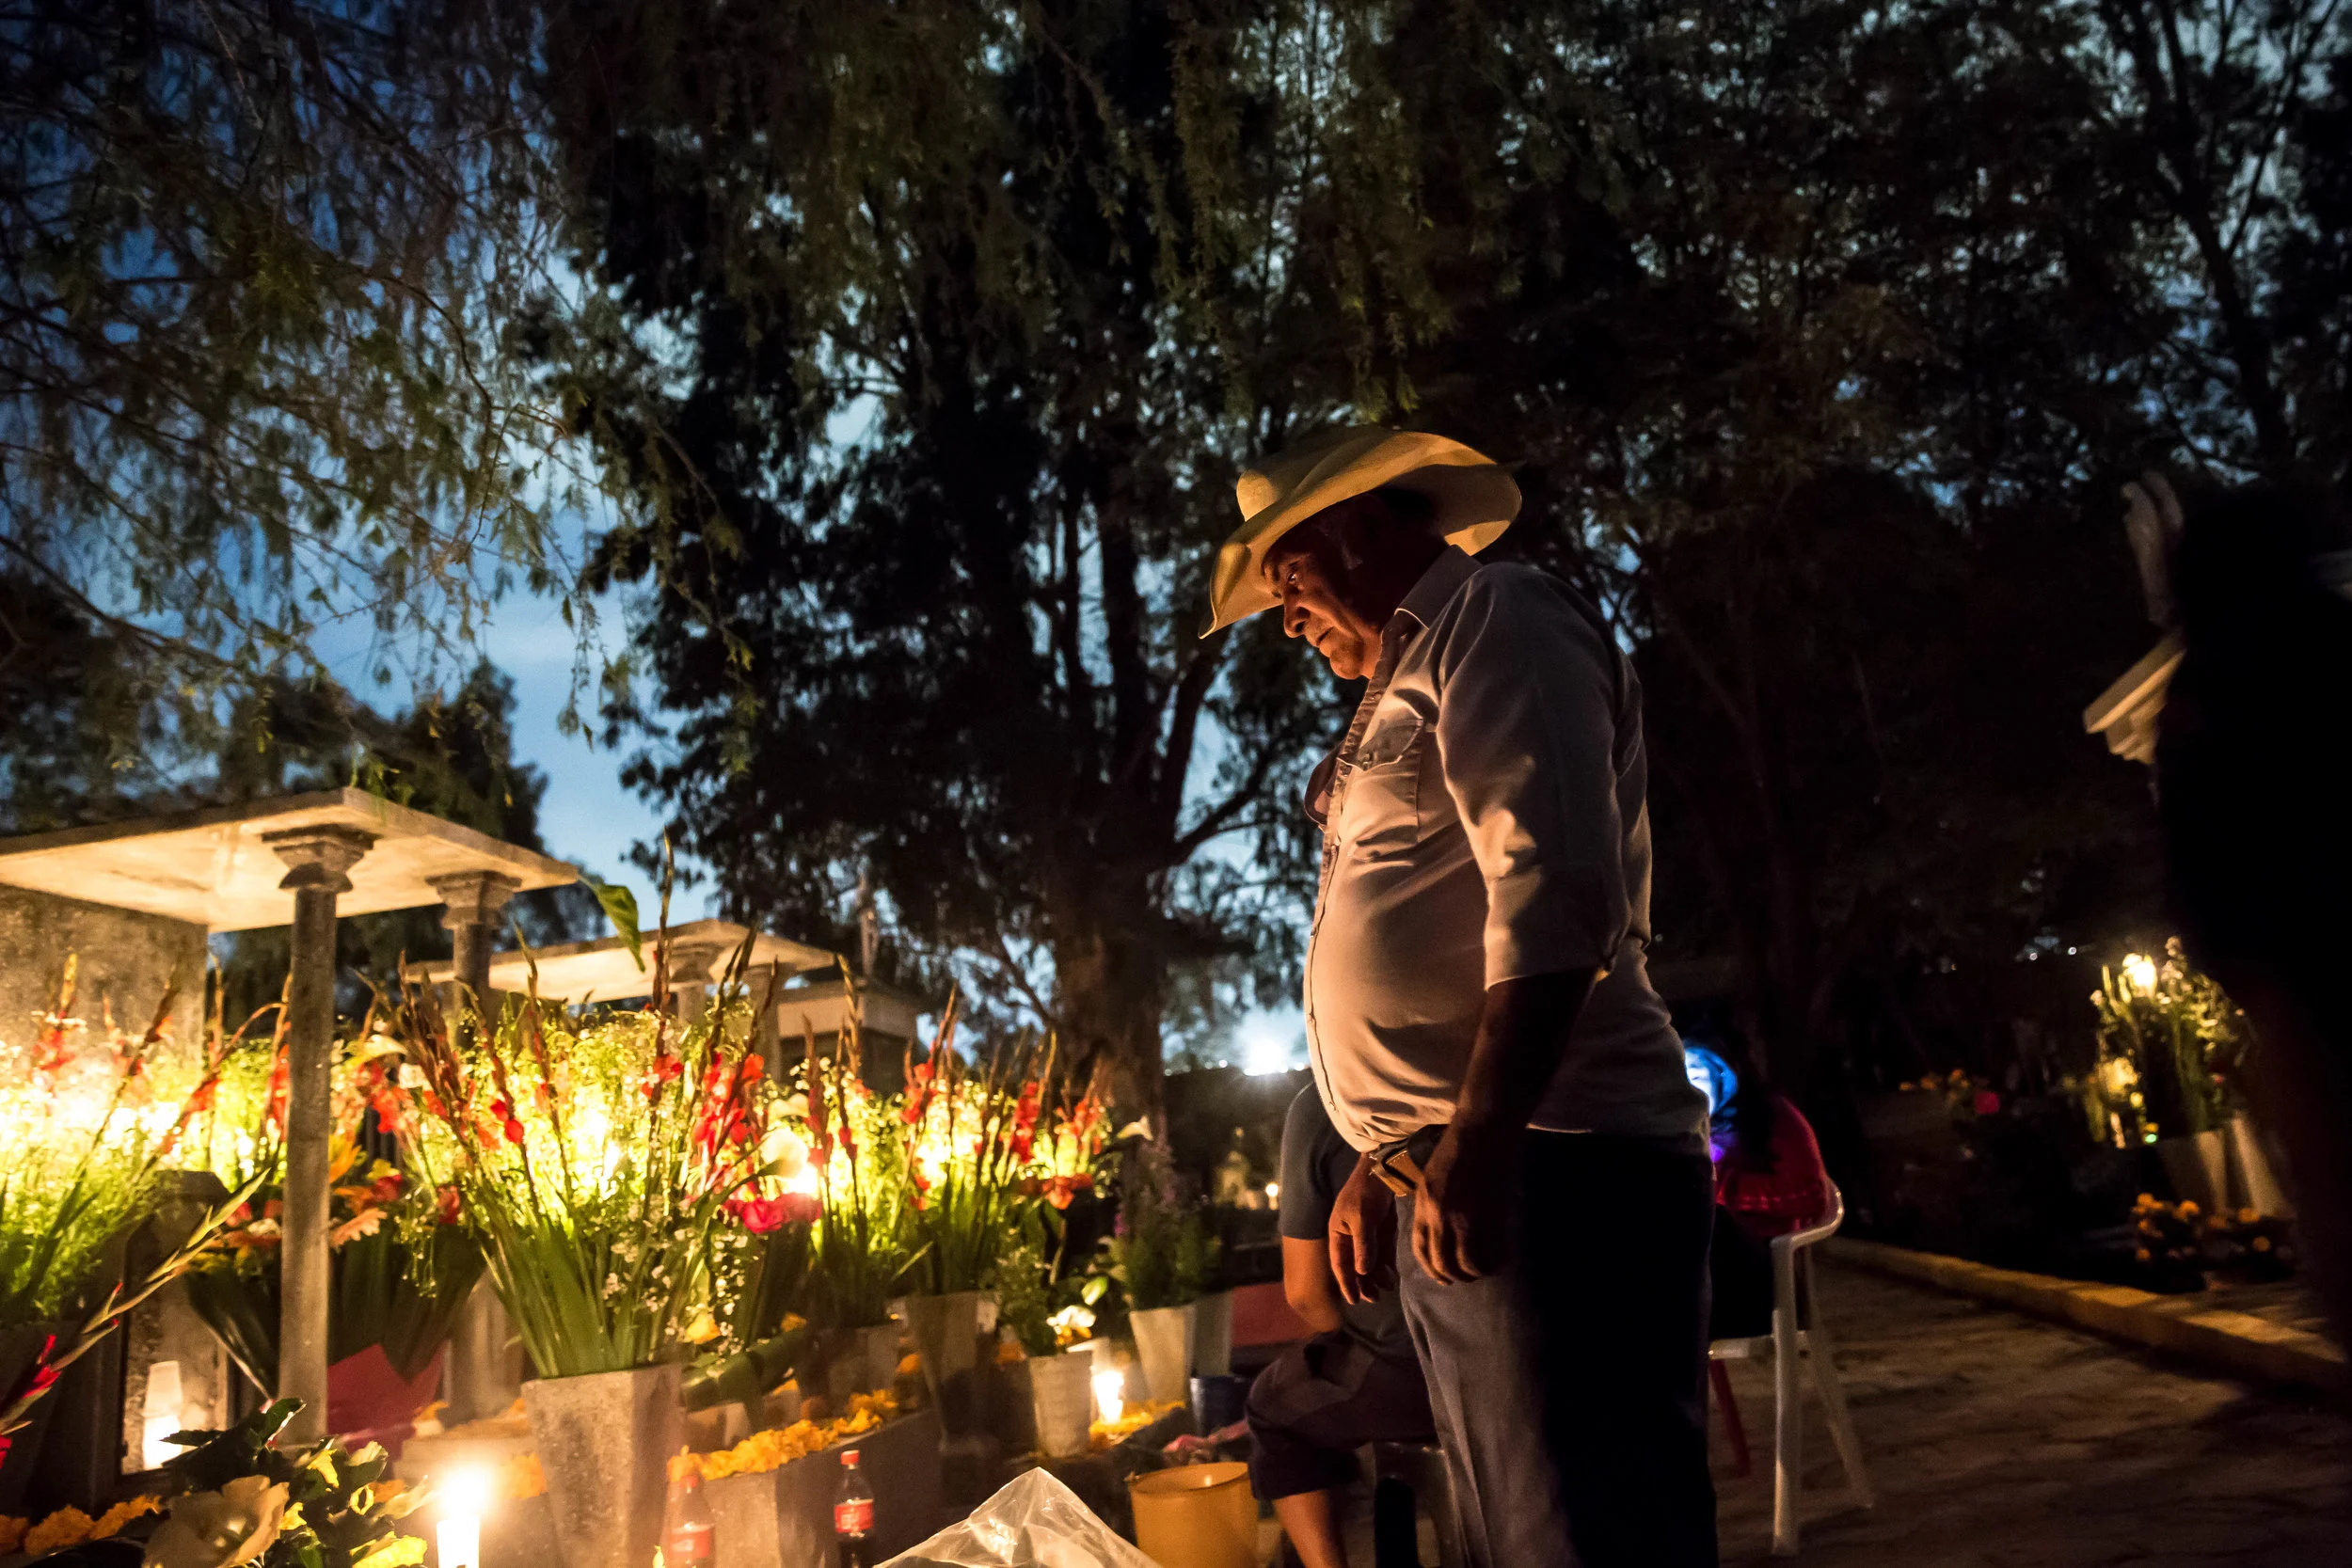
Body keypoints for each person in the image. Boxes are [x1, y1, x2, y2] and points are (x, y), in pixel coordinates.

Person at [1202, 426, 1718, 1568]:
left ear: (1352, 526)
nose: (1286, 621)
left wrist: (1475, 1137)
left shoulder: (1502, 618)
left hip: (1559, 1165)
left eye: (1287, 582)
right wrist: (1390, 1159)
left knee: (1581, 1534)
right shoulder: (1400, 683)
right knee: (1516, 1537)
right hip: (1476, 1171)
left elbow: (1552, 892)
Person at [2156, 481, 2352, 1345]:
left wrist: (2250, 983)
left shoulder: (2203, 700)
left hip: (2304, 991)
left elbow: (2202, 873)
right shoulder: (2338, 644)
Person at [1246, 1086, 1437, 1568]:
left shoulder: (1325, 1103)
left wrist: (1353, 1334)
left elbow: (1306, 1295)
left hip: (1411, 1372)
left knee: (1271, 1408)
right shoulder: (1468, 1072)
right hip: (1547, 1339)